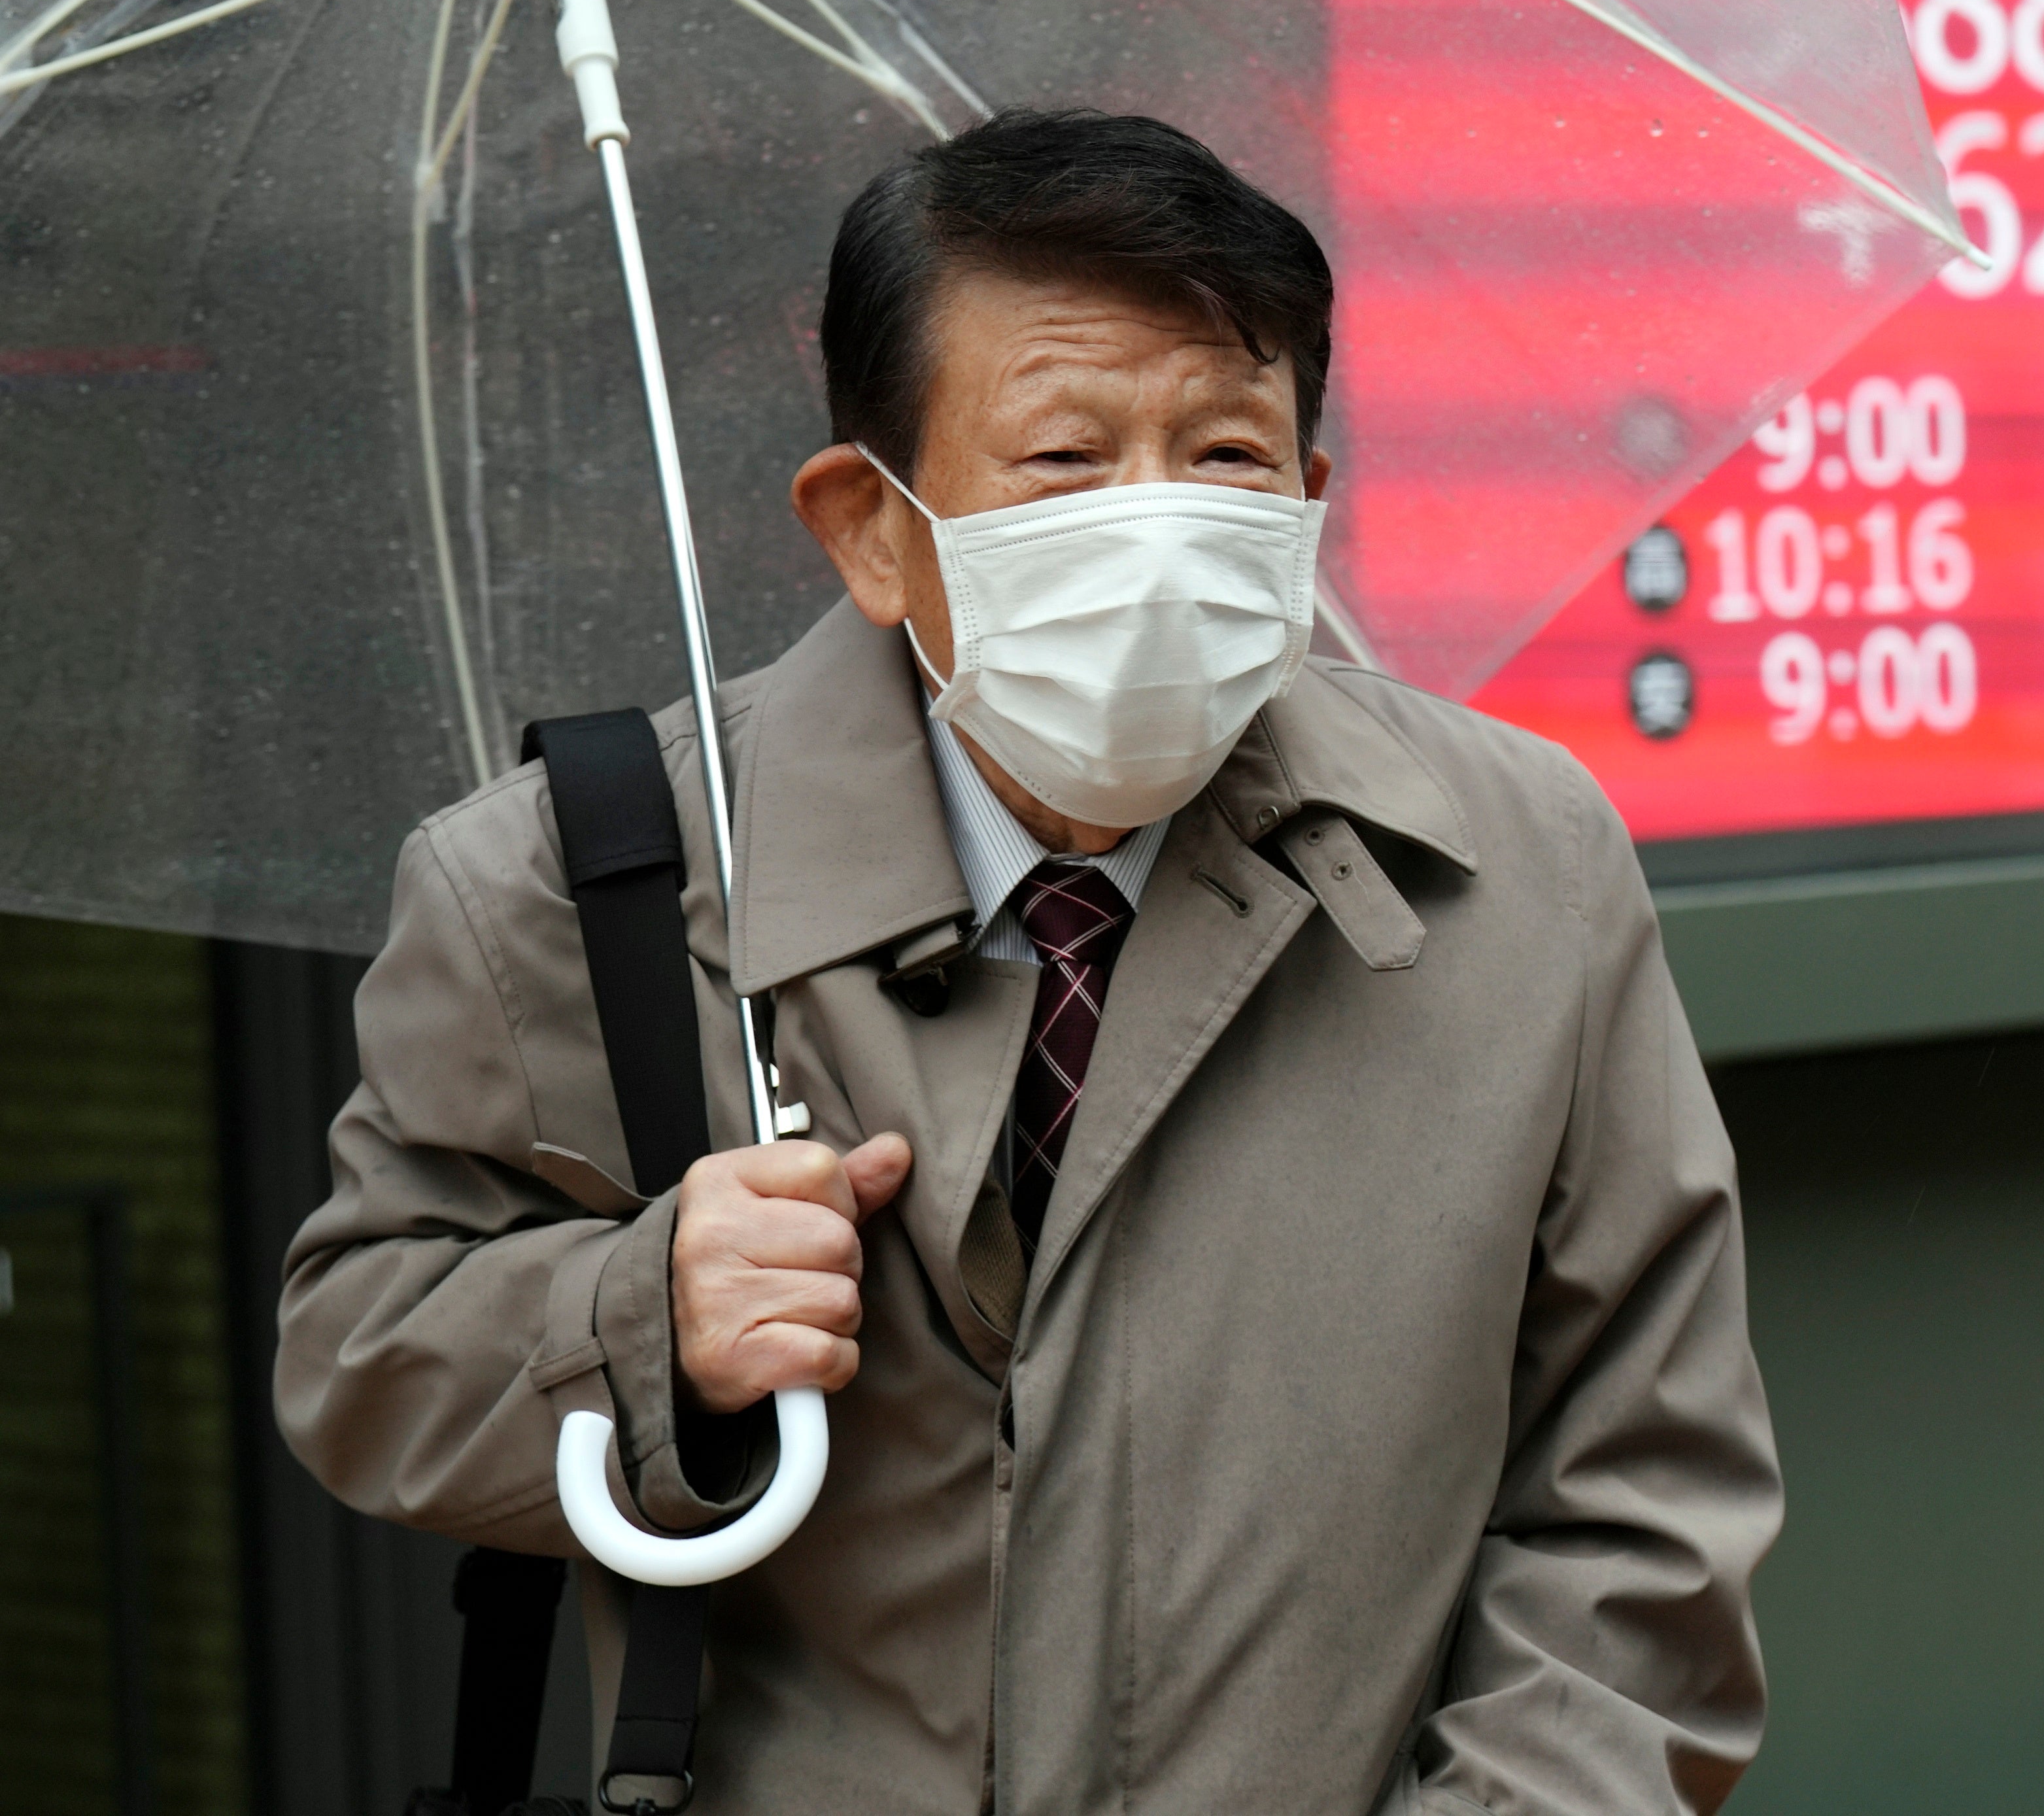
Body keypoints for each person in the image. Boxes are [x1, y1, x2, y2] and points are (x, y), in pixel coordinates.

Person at [279, 110, 1780, 1813]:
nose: (1153, 534)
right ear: (870, 524)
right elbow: (360, 1353)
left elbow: (1638, 1502)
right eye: (1064, 458)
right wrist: (643, 1318)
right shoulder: (568, 881)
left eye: (1221, 456)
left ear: (1307, 502)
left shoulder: (1514, 867)